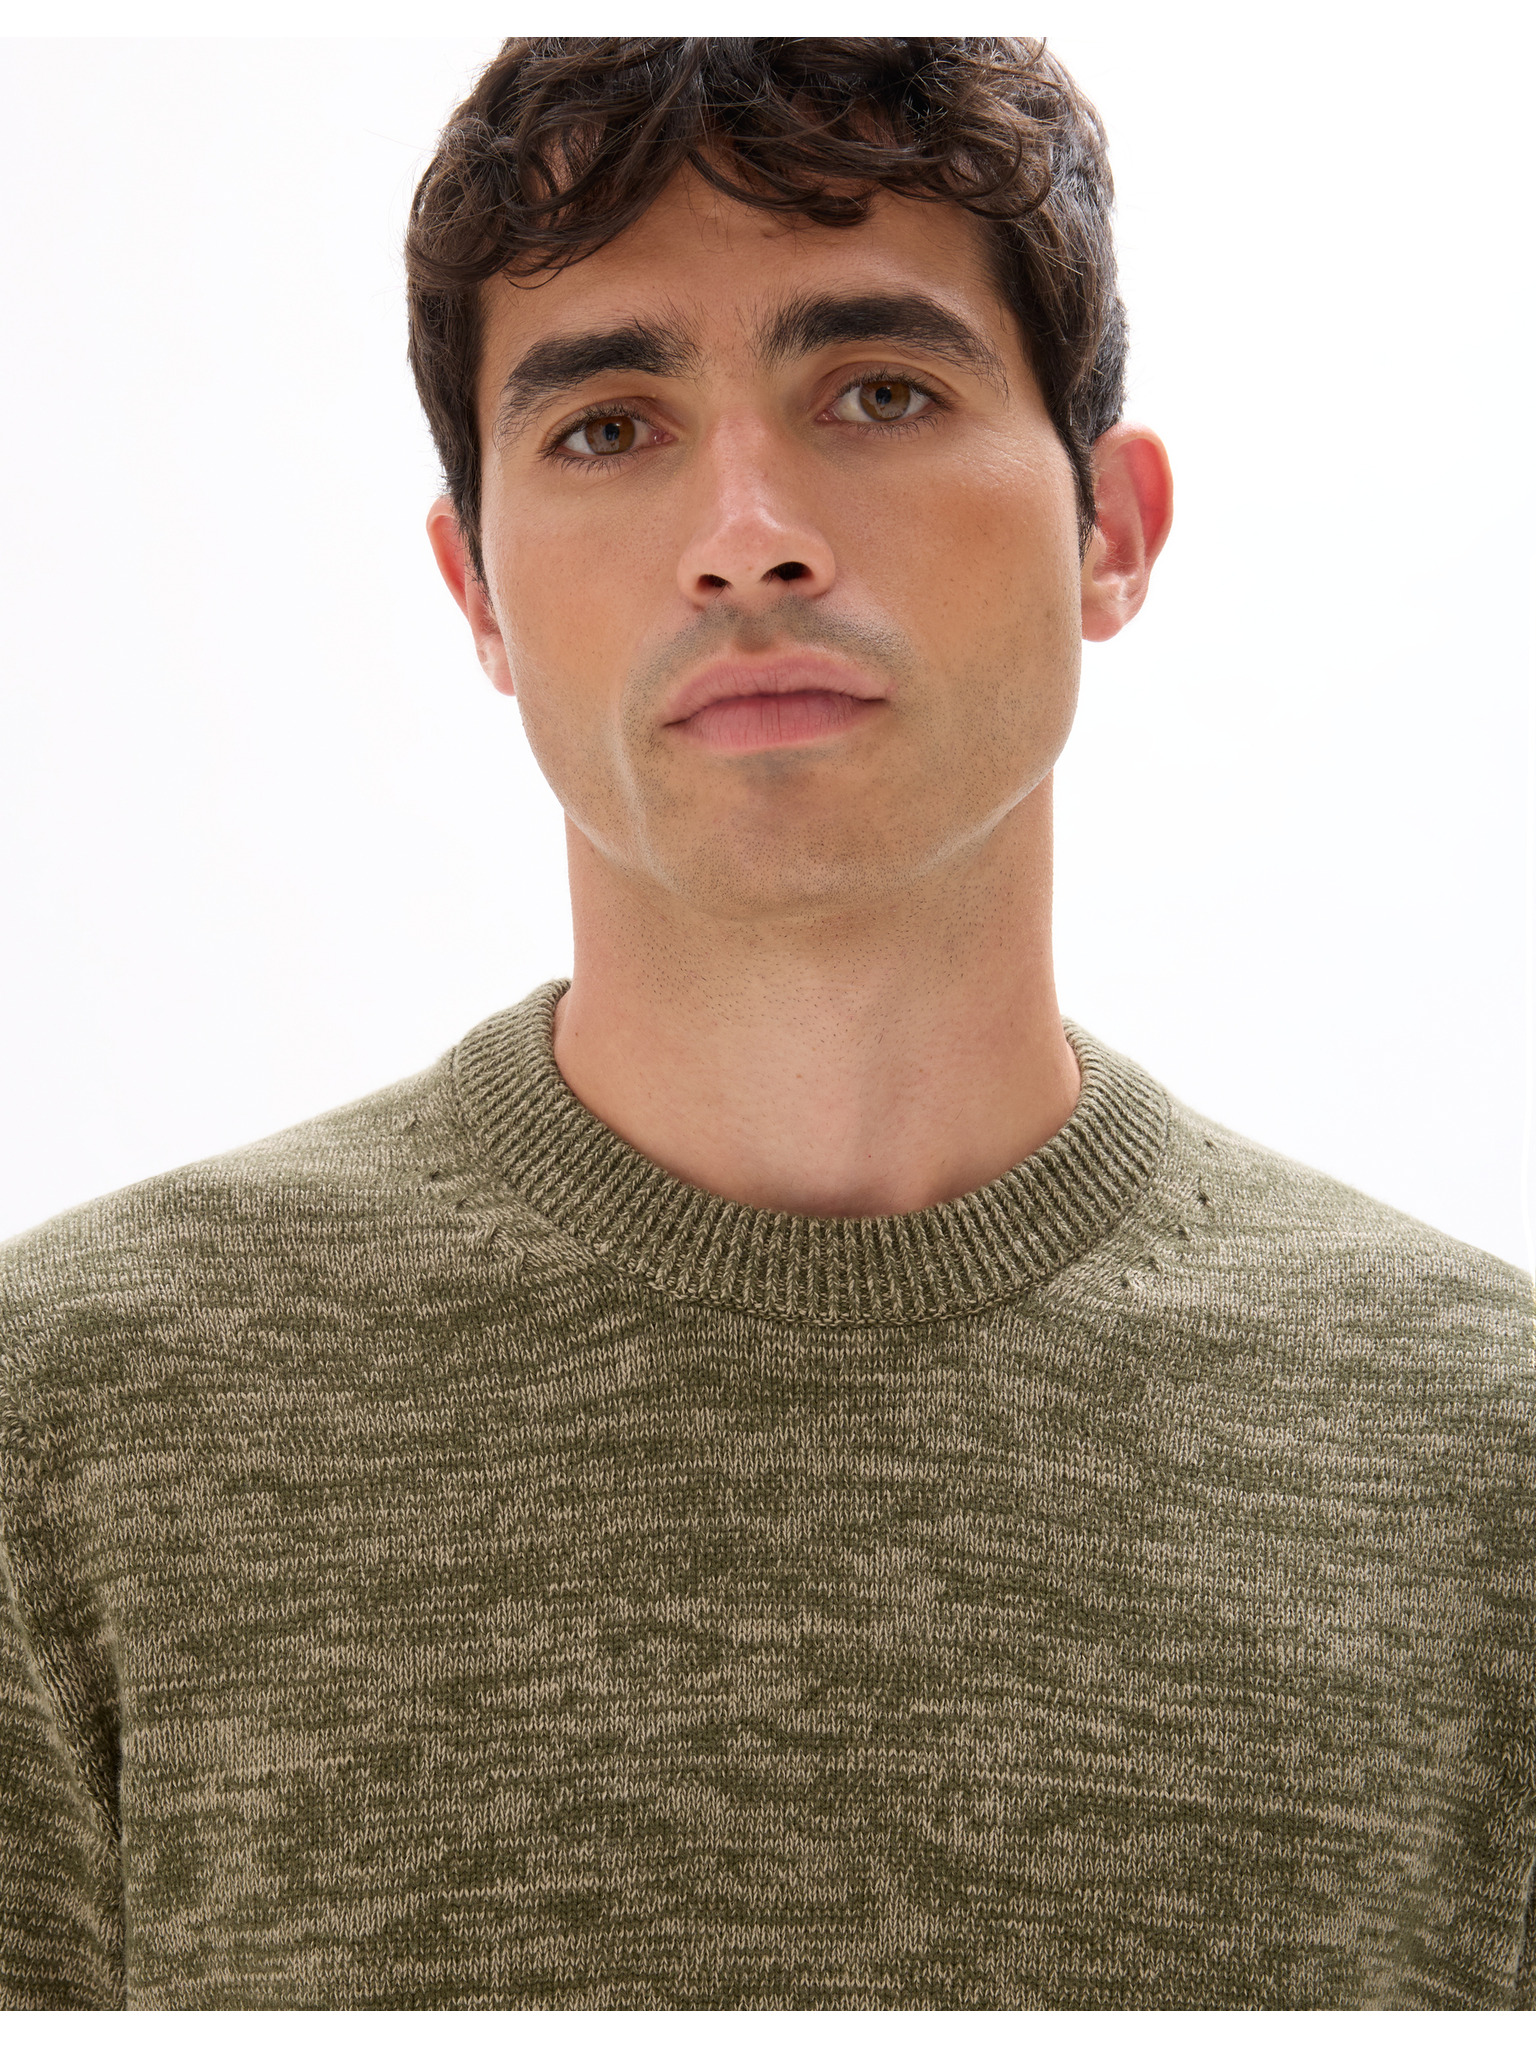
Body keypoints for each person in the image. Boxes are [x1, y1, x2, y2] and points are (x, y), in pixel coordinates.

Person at [1, 35, 1530, 2014]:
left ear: (1112, 529)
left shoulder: (1489, 1462)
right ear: (477, 591)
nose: (748, 531)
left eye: (879, 391)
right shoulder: (62, 1432)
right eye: (608, 427)